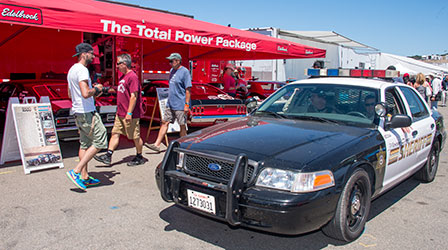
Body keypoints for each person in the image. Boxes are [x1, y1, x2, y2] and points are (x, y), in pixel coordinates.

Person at [66, 43, 108, 191]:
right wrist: (96, 89)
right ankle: (76, 171)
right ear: (84, 54)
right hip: (87, 112)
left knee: (85, 144)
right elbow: (85, 93)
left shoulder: (72, 70)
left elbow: (71, 94)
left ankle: (84, 177)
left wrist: (94, 92)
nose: (93, 57)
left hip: (78, 111)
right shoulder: (82, 70)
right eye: (92, 54)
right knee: (101, 138)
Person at [94, 54, 145, 166]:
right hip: (120, 112)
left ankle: (139, 156)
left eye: (118, 64)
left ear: (124, 64)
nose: (116, 66)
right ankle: (108, 155)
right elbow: (119, 90)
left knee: (135, 137)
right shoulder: (123, 77)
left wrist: (129, 113)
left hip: (130, 114)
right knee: (115, 133)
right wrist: (106, 89)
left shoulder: (132, 77)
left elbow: (134, 96)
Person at [146, 53, 192, 153]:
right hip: (170, 102)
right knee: (164, 122)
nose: (170, 63)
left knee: (182, 125)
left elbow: (188, 89)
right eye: (169, 61)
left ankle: (184, 146)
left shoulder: (185, 72)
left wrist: (186, 105)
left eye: (172, 61)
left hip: (180, 103)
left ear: (178, 61)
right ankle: (156, 144)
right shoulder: (172, 71)